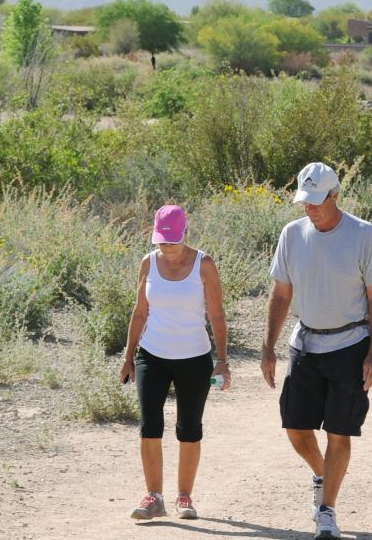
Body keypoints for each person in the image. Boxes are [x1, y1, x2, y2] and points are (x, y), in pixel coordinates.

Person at [260, 162, 372, 540]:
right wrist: (268, 347)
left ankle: (326, 511)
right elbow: (281, 294)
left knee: (338, 431)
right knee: (296, 429)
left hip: (350, 344)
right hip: (306, 343)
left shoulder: (362, 235)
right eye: (305, 201)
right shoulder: (292, 234)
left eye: (317, 201)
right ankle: (323, 474)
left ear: (335, 196)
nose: (310, 208)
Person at [120, 204, 231, 521]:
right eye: (161, 240)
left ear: (185, 233)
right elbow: (140, 312)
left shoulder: (203, 264)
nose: (166, 246)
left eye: (171, 240)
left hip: (194, 358)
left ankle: (184, 497)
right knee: (149, 426)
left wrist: (222, 361)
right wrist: (128, 356)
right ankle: (154, 497)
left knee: (189, 429)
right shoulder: (148, 263)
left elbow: (217, 315)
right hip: (151, 355)